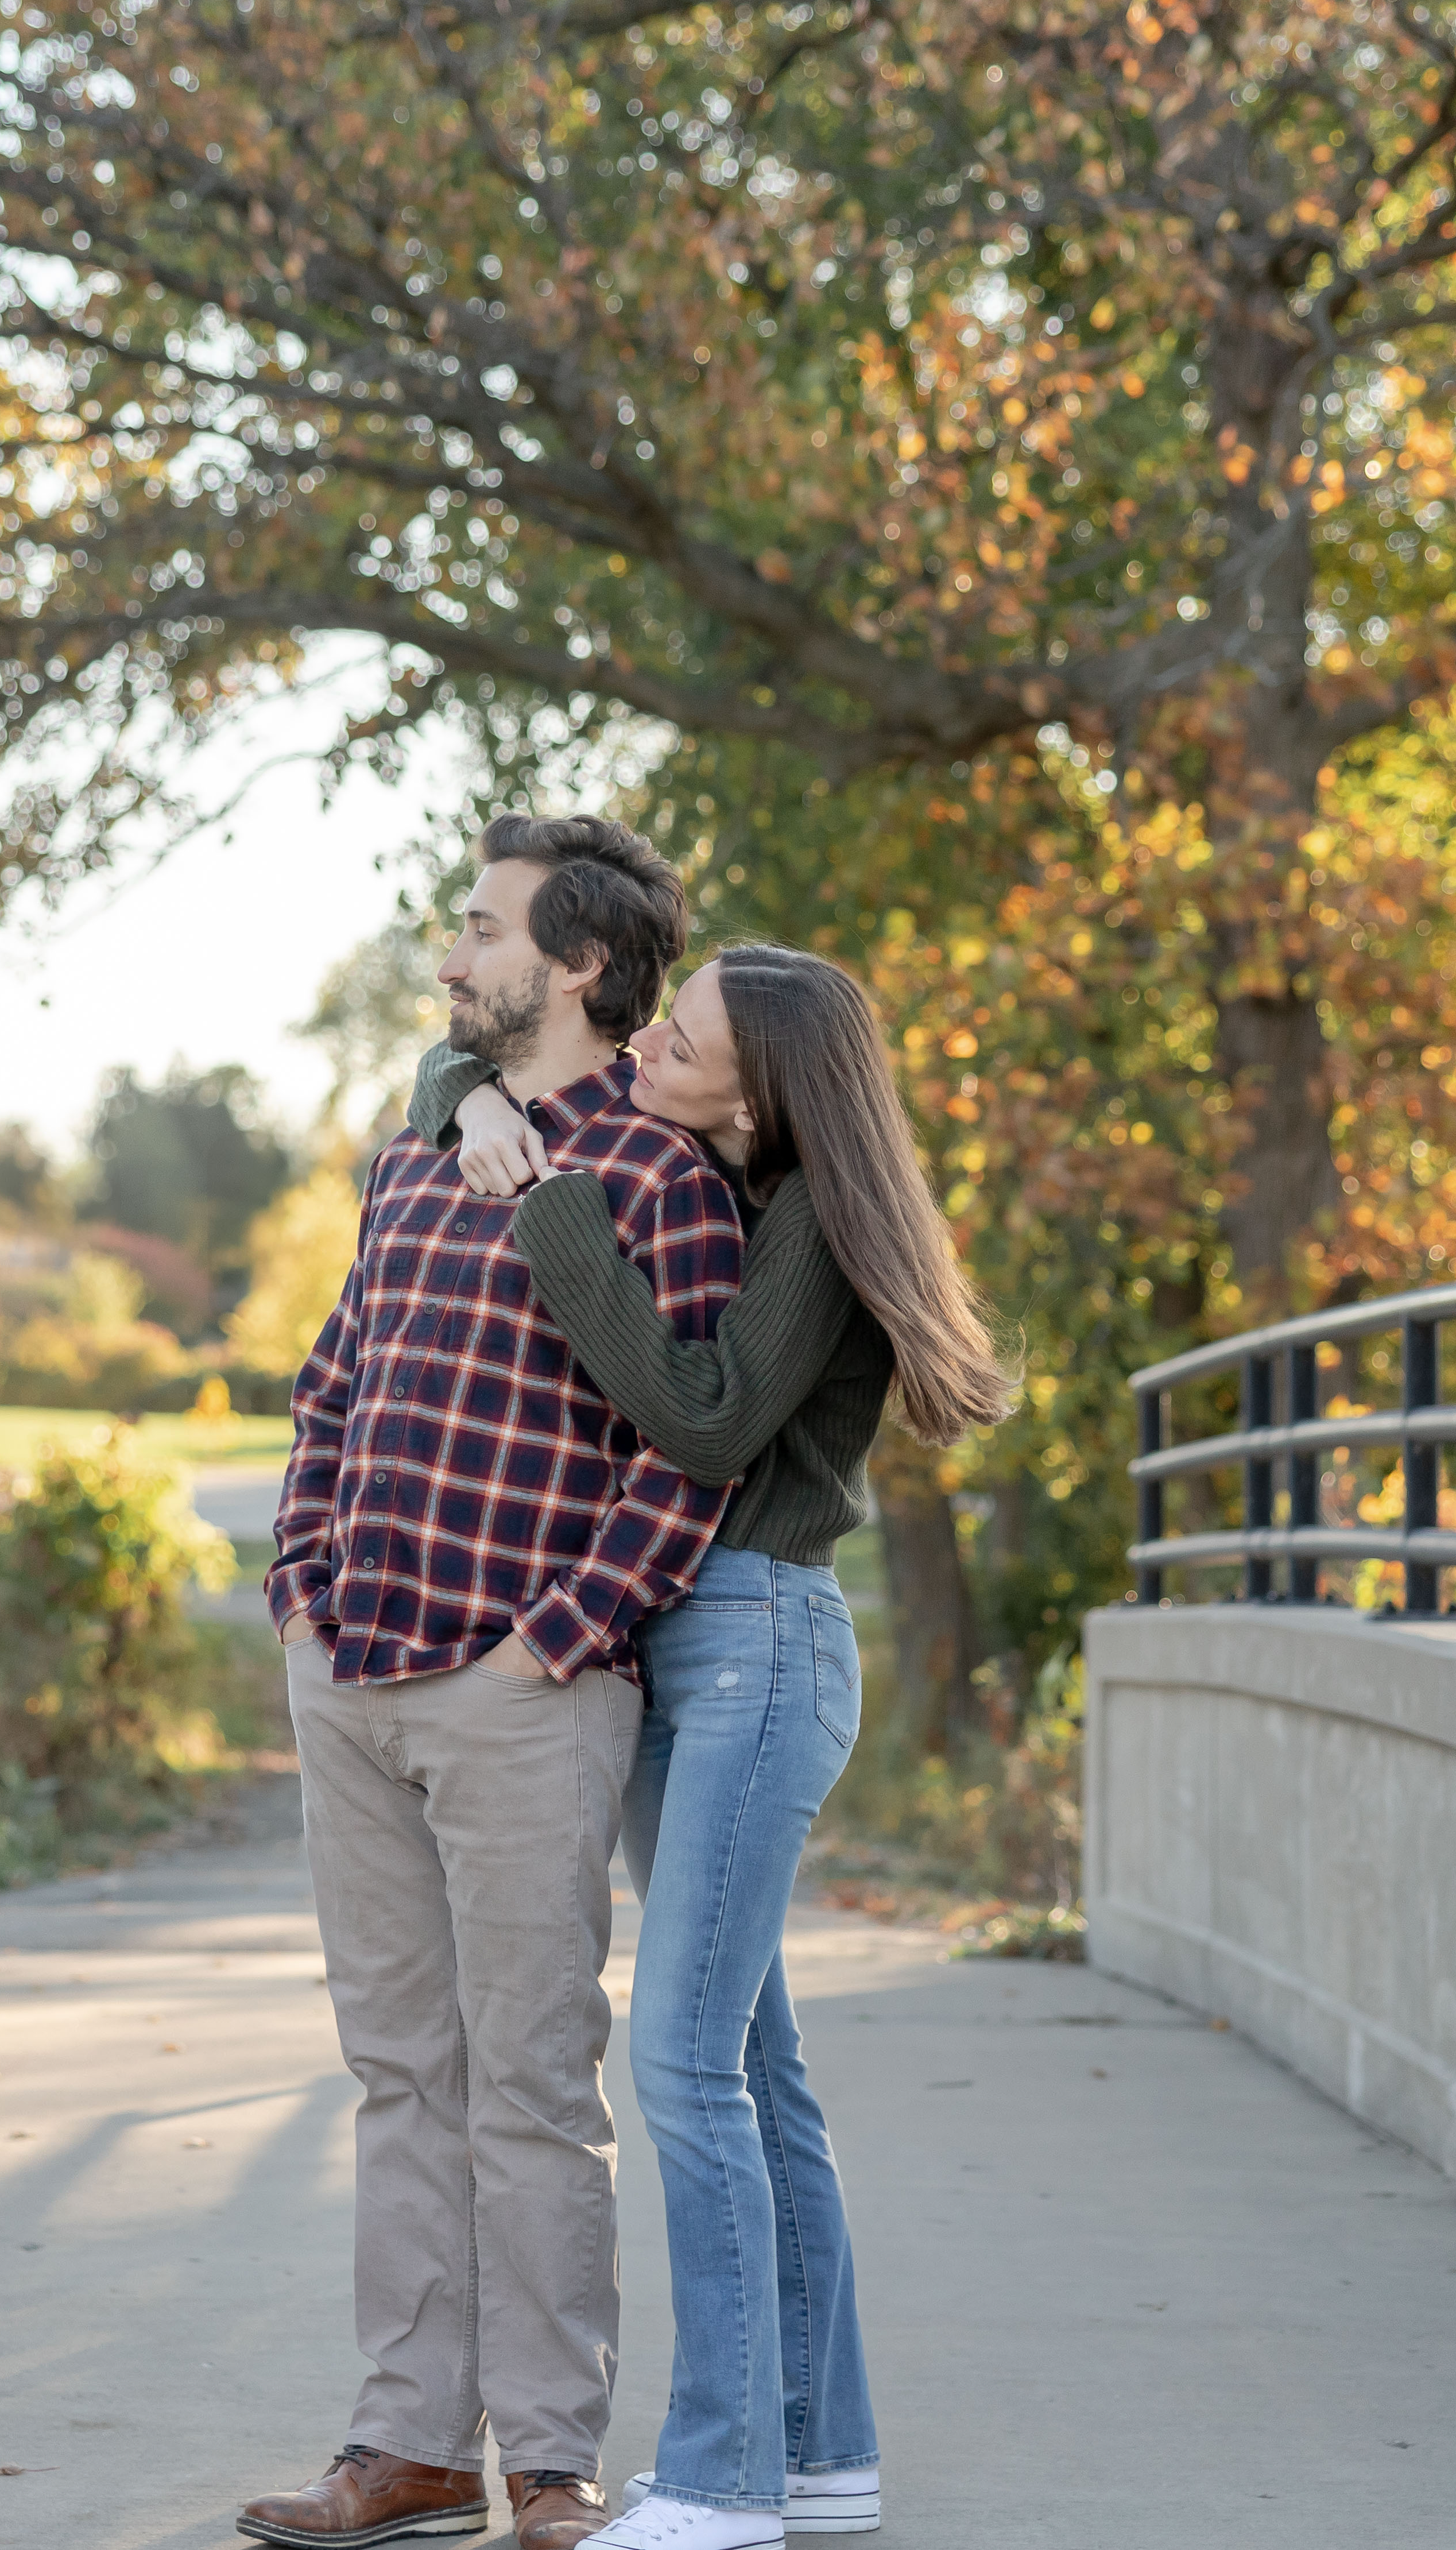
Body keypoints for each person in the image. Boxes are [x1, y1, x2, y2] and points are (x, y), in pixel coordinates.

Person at [417, 946, 1017, 2550]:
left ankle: (721, 2481)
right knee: (757, 2070)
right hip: (691, 1650)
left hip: (755, 1645)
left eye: (676, 1040)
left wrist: (550, 1222)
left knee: (683, 2065)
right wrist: (470, 1094)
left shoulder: (816, 1221)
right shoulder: (727, 1167)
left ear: (756, 1088)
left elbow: (699, 1417)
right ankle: (823, 2457)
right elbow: (447, 1072)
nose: (644, 1047)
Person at [237, 817, 748, 2550]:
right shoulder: (410, 1158)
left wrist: (566, 1632)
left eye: (480, 929)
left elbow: (687, 1451)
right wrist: (296, 1586)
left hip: (522, 1690)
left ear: (578, 965)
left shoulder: (661, 1183)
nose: (451, 960)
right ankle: (405, 2445)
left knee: (530, 2084)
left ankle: (543, 2460)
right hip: (353, 1665)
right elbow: (334, 1385)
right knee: (399, 2074)